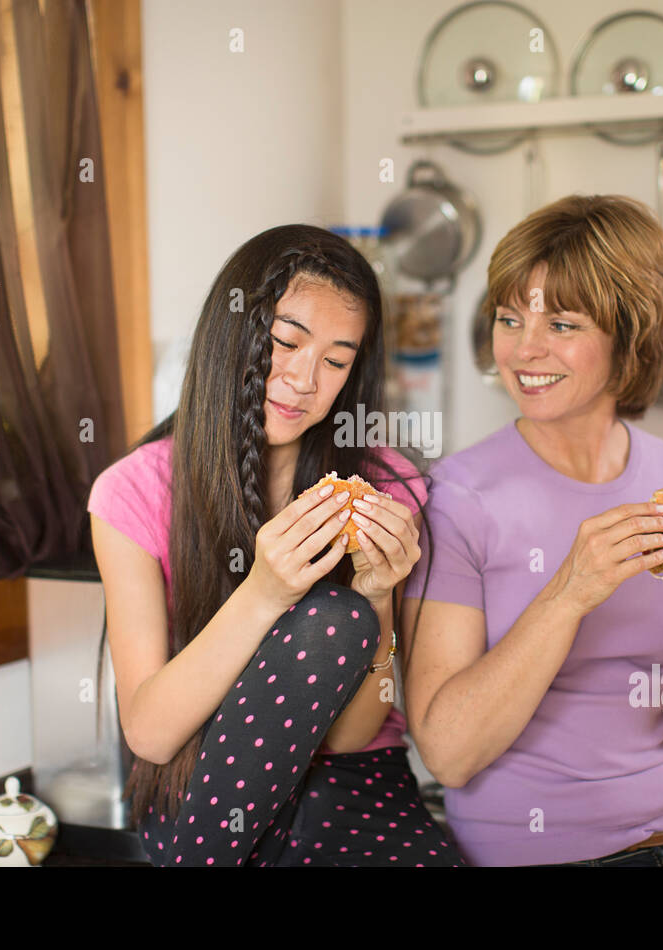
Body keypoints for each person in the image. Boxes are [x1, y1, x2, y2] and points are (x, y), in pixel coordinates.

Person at [88, 224, 464, 866]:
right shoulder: (135, 490)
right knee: (325, 613)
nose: (302, 379)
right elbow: (150, 734)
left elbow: (350, 737)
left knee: (339, 615)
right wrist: (264, 592)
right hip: (203, 780)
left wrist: (374, 596)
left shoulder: (386, 488)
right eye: (286, 342)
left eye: (336, 361)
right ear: (231, 333)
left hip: (352, 779)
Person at [401, 195, 663, 867]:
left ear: (629, 333)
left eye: (562, 323)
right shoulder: (457, 498)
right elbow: (448, 753)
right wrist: (568, 593)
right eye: (510, 318)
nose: (524, 349)